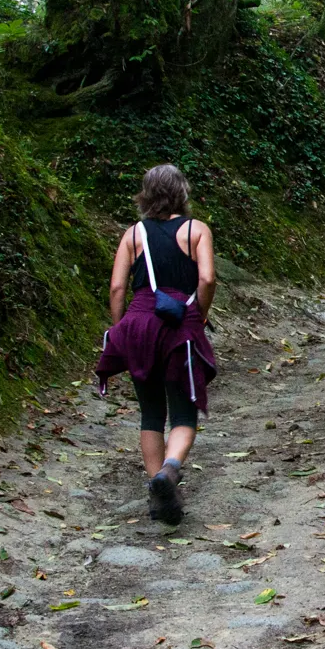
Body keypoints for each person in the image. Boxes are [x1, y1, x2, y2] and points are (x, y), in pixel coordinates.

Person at [94, 164, 218, 525]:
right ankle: (170, 470)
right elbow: (207, 277)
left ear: (146, 195)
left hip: (138, 323)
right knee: (183, 411)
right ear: (182, 192)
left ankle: (156, 489)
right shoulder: (197, 230)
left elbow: (117, 288)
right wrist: (198, 314)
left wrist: (121, 329)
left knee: (151, 412)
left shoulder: (133, 234)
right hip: (178, 323)